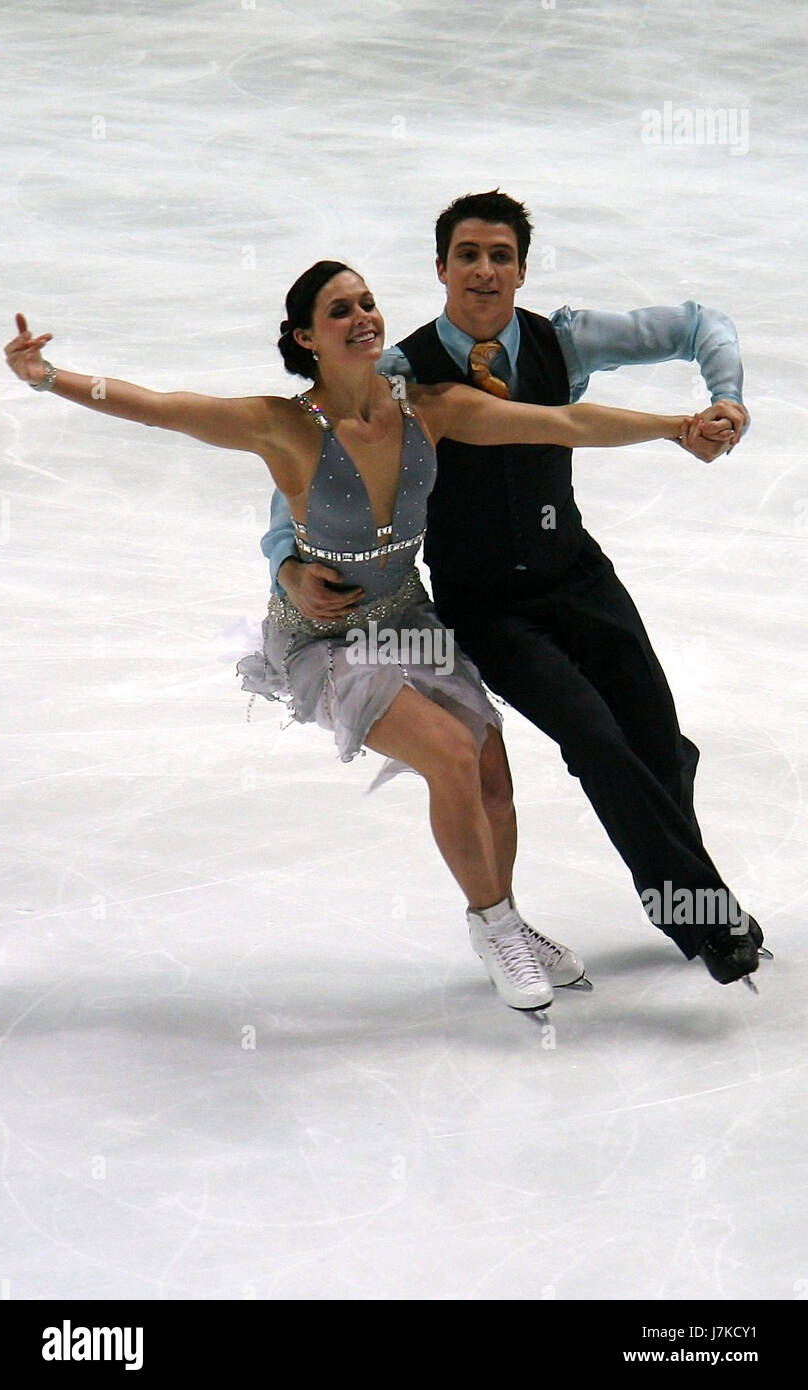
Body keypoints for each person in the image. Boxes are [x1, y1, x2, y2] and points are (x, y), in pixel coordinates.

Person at [4, 277, 732, 1012]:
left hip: (409, 620)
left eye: (367, 304)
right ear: (306, 340)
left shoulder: (431, 411)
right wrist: (47, 378)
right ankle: (495, 925)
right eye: (339, 311)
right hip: (327, 637)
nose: (362, 318)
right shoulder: (281, 426)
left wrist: (675, 426)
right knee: (447, 752)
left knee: (490, 774)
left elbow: (564, 425)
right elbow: (157, 409)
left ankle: (504, 917)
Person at [263, 194, 768, 990]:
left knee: (658, 748)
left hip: (578, 573)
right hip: (487, 605)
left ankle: (683, 867)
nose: (485, 270)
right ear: (441, 269)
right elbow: (313, 482)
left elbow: (701, 322)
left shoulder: (562, 341)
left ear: (522, 269)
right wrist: (288, 566)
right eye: (468, 254)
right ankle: (705, 919)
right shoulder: (402, 375)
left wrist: (725, 397)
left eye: (501, 255)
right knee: (596, 741)